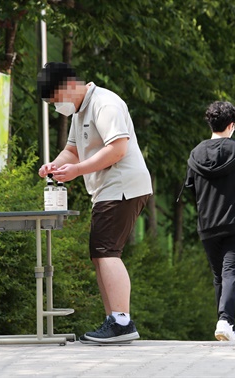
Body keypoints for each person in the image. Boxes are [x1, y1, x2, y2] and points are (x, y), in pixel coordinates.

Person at [36, 62, 152, 344]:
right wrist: (54, 166)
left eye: (55, 100)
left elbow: (118, 148)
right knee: (100, 253)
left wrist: (77, 170)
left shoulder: (105, 103)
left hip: (122, 187)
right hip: (106, 190)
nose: (56, 106)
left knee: (107, 252)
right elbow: (72, 151)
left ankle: (122, 321)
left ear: (68, 86)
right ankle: (114, 320)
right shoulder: (80, 111)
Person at [183, 101, 235, 342]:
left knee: (219, 274)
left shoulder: (195, 153)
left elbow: (190, 187)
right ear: (231, 125)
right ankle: (225, 322)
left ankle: (225, 322)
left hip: (208, 222)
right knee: (230, 271)